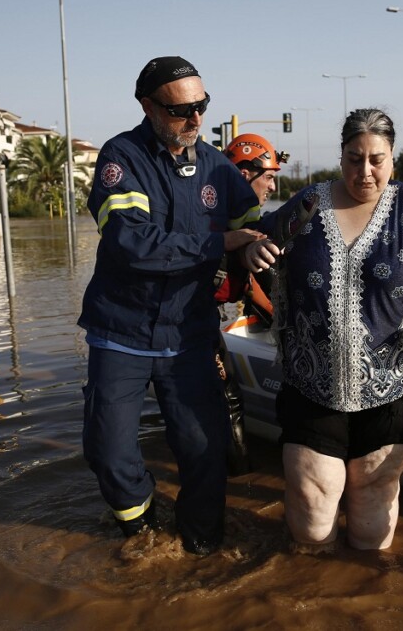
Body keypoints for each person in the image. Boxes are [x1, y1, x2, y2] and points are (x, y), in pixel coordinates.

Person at [242, 108, 403, 551]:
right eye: (354, 158)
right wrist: (253, 250)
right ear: (341, 156)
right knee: (312, 512)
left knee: (372, 513)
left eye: (376, 159)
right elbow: (259, 237)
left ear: (392, 158)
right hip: (311, 380)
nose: (365, 171)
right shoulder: (307, 205)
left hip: (391, 383)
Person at [77, 56, 263, 555]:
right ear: (149, 106)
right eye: (182, 111)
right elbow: (132, 243)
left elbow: (255, 227)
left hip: (190, 335)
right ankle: (142, 535)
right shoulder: (122, 157)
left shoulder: (218, 167)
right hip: (122, 332)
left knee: (206, 449)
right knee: (109, 452)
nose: (196, 120)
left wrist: (256, 243)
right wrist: (221, 244)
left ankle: (202, 547)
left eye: (202, 106)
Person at [213, 133, 288, 475]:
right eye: (269, 177)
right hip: (183, 322)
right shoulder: (221, 219)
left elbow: (258, 292)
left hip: (197, 317)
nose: (273, 186)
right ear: (245, 175)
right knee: (227, 402)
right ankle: (240, 481)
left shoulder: (236, 216)